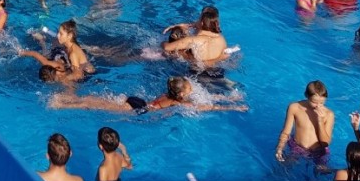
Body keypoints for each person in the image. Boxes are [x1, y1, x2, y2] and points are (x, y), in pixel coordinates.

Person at [50, 78, 247, 115]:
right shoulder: (181, 104)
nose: (191, 91)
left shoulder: (168, 95)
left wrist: (230, 98)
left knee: (95, 100)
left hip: (138, 100)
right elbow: (209, 107)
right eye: (188, 89)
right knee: (92, 105)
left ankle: (66, 98)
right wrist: (234, 108)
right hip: (138, 109)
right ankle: (63, 104)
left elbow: (207, 101)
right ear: (180, 94)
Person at [275, 80, 333, 164]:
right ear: (306, 95)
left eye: (322, 102)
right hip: (297, 147)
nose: (318, 106)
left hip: (318, 150)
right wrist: (280, 148)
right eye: (314, 102)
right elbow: (286, 132)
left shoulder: (329, 114)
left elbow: (325, 143)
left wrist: (320, 120)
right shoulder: (294, 108)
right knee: (285, 165)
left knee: (321, 170)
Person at [162, 6, 227, 63]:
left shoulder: (192, 40)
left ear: (201, 23)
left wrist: (163, 42)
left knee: (169, 53)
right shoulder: (221, 39)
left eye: (199, 18)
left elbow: (166, 47)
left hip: (195, 75)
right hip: (219, 73)